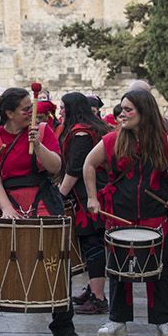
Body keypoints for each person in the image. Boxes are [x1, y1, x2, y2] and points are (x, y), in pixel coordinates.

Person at [0, 87, 80, 336]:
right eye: (25, 109)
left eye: (31, 107)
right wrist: (6, 209)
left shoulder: (44, 131)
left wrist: (37, 145)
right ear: (9, 113)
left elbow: (56, 167)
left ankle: (63, 325)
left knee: (56, 261)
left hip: (43, 198)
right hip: (8, 198)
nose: (31, 112)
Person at [86, 87, 168, 336]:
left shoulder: (163, 141)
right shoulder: (112, 140)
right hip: (120, 213)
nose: (122, 114)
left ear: (144, 112)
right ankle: (117, 320)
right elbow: (89, 164)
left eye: (128, 110)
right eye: (121, 109)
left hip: (155, 215)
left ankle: (163, 322)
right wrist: (92, 197)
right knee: (118, 271)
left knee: (161, 270)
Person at [59, 91, 112, 315]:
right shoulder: (93, 128)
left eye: (63, 107)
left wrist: (60, 194)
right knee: (92, 243)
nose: (61, 111)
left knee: (93, 243)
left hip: (91, 194)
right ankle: (93, 289)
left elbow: (75, 168)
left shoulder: (81, 133)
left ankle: (98, 297)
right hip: (94, 191)